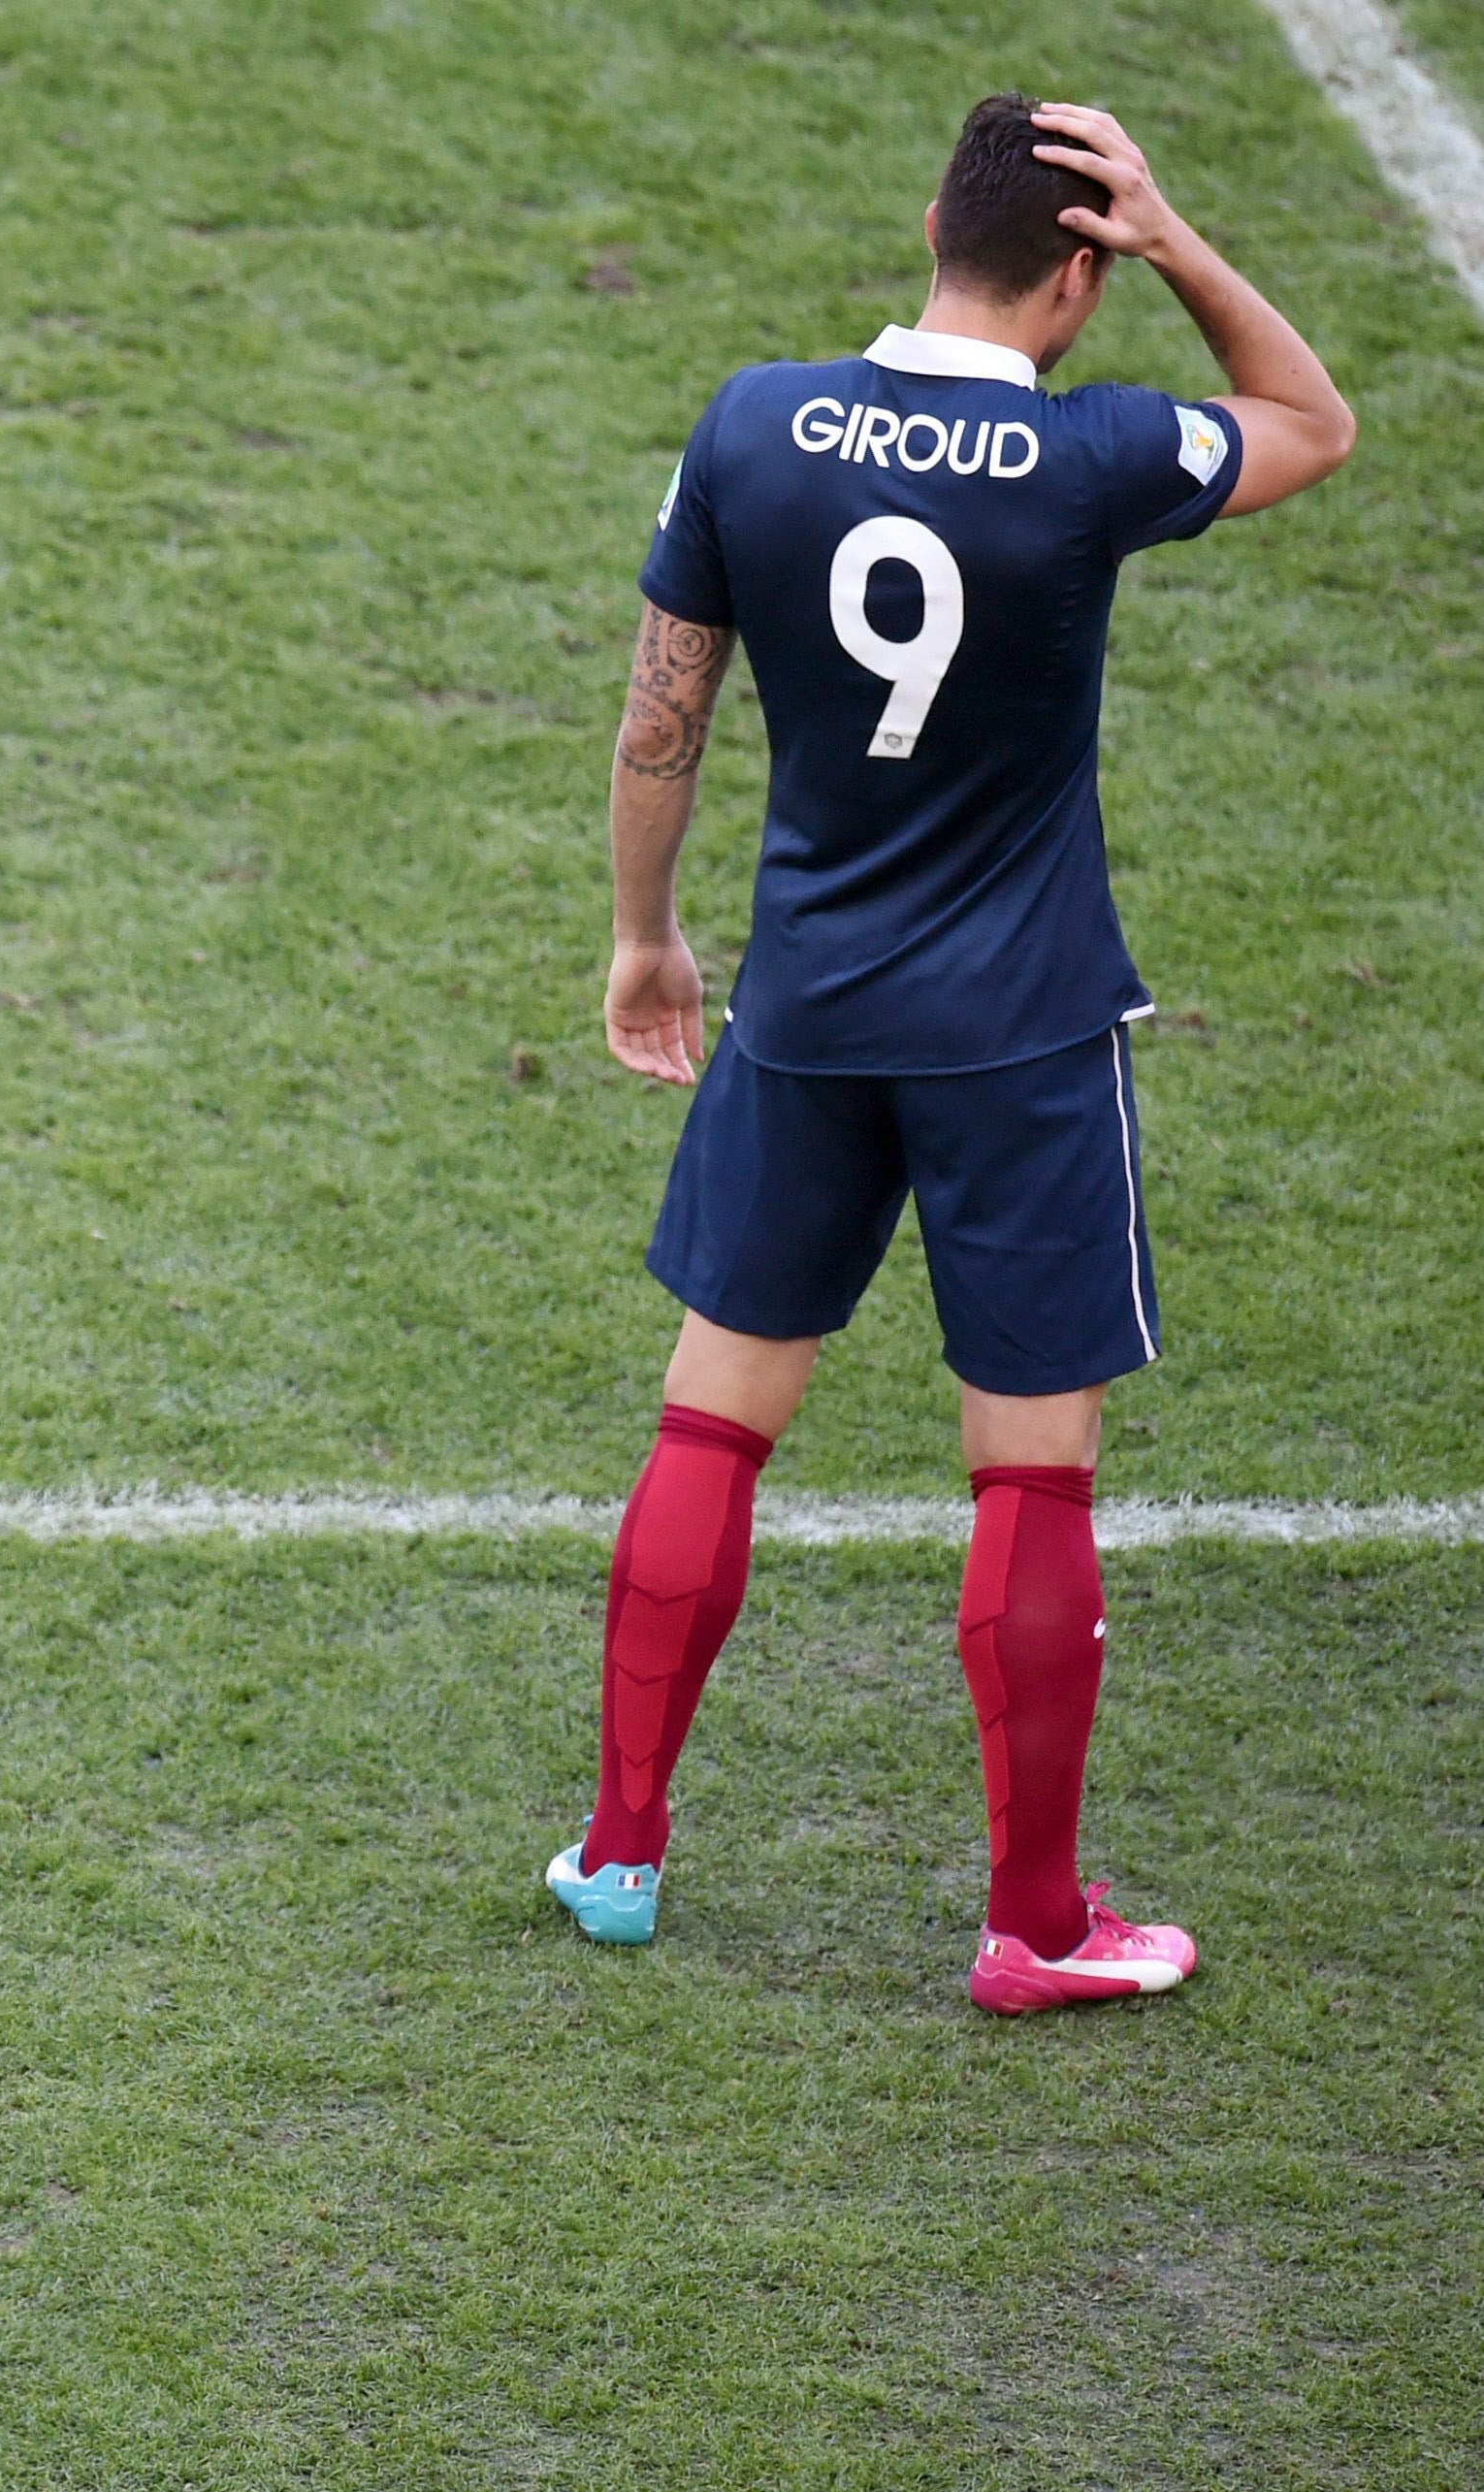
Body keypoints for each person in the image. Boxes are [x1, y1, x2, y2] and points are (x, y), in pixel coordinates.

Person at [559, 97, 1355, 2005]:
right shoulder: (1088, 453)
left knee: (707, 1423)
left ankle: (617, 1849)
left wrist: (643, 936)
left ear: (927, 220)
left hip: (808, 1014)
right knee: (1029, 1482)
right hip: (1015, 1034)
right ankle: (1032, 1928)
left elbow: (657, 720)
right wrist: (1176, 240)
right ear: (1073, 275)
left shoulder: (750, 424)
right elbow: (1314, 422)